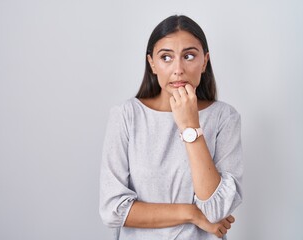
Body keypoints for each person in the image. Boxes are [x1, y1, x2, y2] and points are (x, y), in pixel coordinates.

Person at [99, 15, 243, 240]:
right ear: (152, 64)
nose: (178, 69)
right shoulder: (126, 116)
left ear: (204, 62)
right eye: (166, 57)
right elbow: (113, 209)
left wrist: (190, 126)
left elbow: (216, 211)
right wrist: (192, 214)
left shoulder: (224, 118)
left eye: (189, 56)